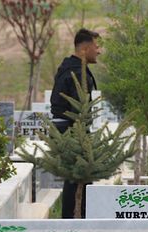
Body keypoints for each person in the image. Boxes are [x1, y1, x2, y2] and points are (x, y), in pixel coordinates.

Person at [50, 28, 100, 218]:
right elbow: (78, 110)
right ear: (85, 49)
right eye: (96, 46)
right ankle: (73, 221)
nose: (99, 51)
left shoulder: (71, 68)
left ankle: (74, 219)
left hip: (70, 130)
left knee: (76, 181)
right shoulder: (77, 73)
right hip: (72, 132)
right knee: (76, 181)